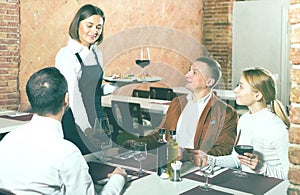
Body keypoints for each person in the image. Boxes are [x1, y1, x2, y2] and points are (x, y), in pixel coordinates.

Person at [0, 67, 126, 194]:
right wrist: (118, 179)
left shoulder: (6, 141)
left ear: (31, 100)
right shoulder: (67, 154)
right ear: (66, 99)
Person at [196, 67, 290, 180]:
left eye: (241, 86)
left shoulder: (276, 128)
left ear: (257, 95)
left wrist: (260, 166)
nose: (235, 90)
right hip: (247, 185)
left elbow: (291, 176)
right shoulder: (244, 119)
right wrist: (209, 159)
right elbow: (238, 160)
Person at [133, 56, 238, 157]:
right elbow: (160, 134)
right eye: (189, 70)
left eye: (194, 72)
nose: (187, 75)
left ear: (209, 82)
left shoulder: (226, 113)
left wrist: (188, 155)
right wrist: (137, 143)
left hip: (197, 168)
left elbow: (223, 150)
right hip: (170, 163)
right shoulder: (177, 102)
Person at [55, 4, 118, 154]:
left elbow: (94, 89)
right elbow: (74, 96)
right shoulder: (67, 55)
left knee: (99, 162)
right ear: (77, 25)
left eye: (98, 27)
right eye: (89, 25)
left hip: (96, 117)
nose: (94, 31)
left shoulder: (97, 53)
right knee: (81, 161)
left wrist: (115, 86)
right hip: (75, 120)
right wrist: (86, 128)